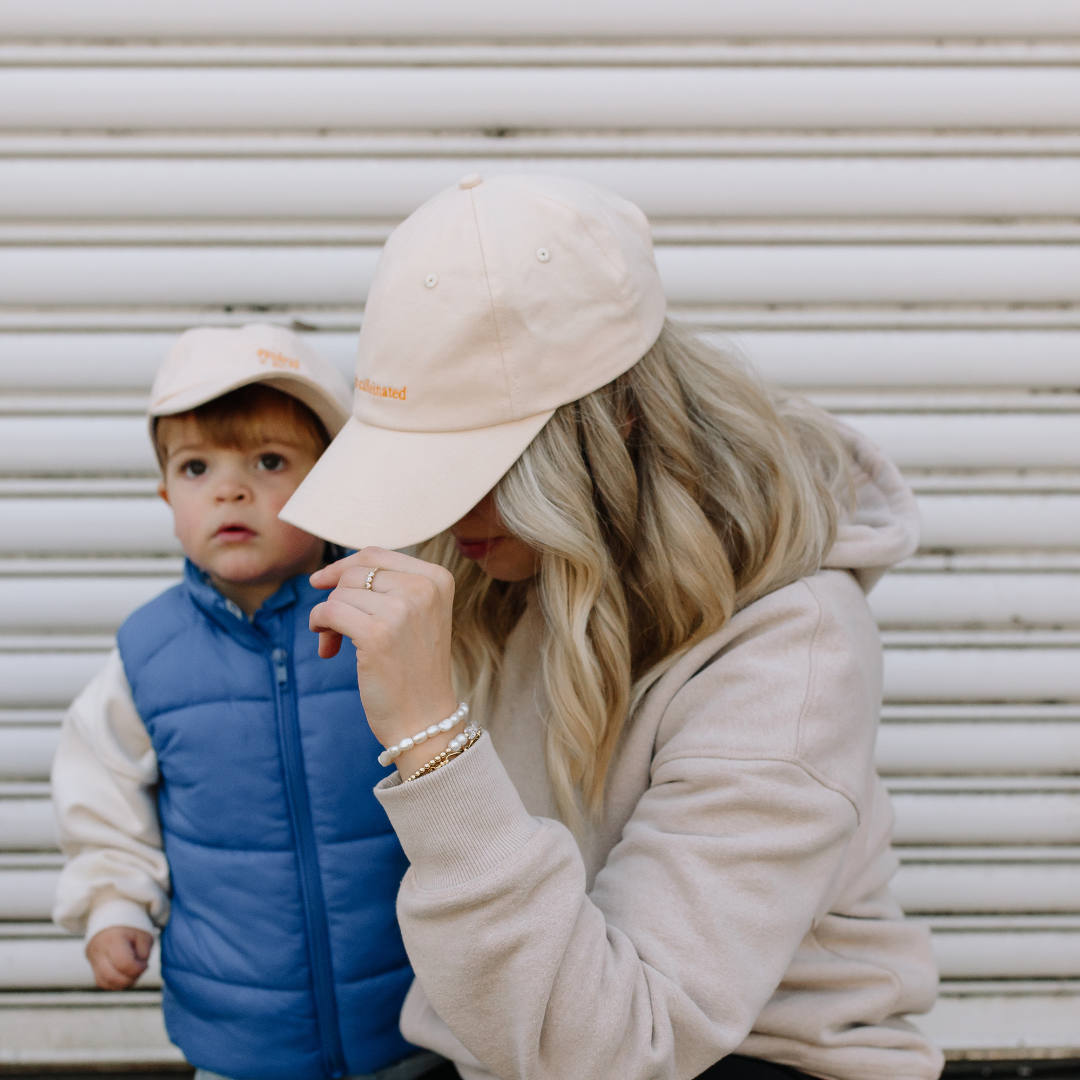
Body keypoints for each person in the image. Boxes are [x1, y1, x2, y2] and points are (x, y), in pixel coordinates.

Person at [282, 174, 945, 1080]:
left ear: (616, 420)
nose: (443, 501)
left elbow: (620, 1051)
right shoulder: (501, 567)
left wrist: (432, 746)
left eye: (478, 458)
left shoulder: (794, 647)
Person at [51, 325, 444, 1080]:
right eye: (197, 467)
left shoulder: (384, 619)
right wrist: (112, 906)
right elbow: (102, 799)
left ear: (331, 478)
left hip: (411, 1018)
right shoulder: (147, 655)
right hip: (240, 1037)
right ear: (167, 494)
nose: (231, 490)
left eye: (269, 462)